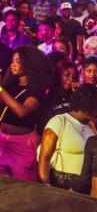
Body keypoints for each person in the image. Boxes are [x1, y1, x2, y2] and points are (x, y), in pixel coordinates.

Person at [0, 46, 52, 182]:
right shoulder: (10, 86)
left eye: (17, 61)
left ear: (28, 63)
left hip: (21, 145)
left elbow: (21, 111)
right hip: (2, 141)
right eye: (12, 61)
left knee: (23, 187)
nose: (13, 64)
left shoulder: (37, 91)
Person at [38, 84, 97, 188]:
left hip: (82, 186)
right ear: (89, 105)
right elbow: (44, 158)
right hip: (61, 183)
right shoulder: (59, 122)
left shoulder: (91, 126)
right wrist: (46, 185)